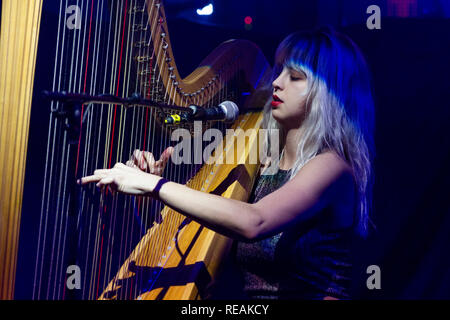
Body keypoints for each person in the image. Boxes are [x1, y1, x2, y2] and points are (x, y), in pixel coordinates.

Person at [80, 27, 375, 300]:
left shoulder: (333, 167)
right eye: (279, 70)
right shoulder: (262, 163)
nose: (276, 82)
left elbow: (254, 221)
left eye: (295, 76)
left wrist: (156, 185)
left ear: (329, 93)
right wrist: (149, 191)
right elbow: (197, 227)